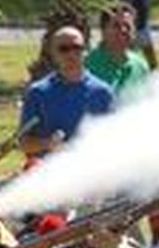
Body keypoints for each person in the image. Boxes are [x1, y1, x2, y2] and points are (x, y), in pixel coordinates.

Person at [19, 27, 115, 160]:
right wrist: (47, 143)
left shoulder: (103, 92)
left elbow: (113, 142)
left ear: (86, 51)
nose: (71, 54)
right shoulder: (38, 92)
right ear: (53, 53)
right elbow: (24, 143)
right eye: (64, 49)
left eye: (77, 48)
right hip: (50, 169)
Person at [84, 4, 152, 102]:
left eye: (128, 26)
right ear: (103, 31)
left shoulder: (140, 65)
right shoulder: (88, 64)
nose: (123, 30)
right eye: (116, 26)